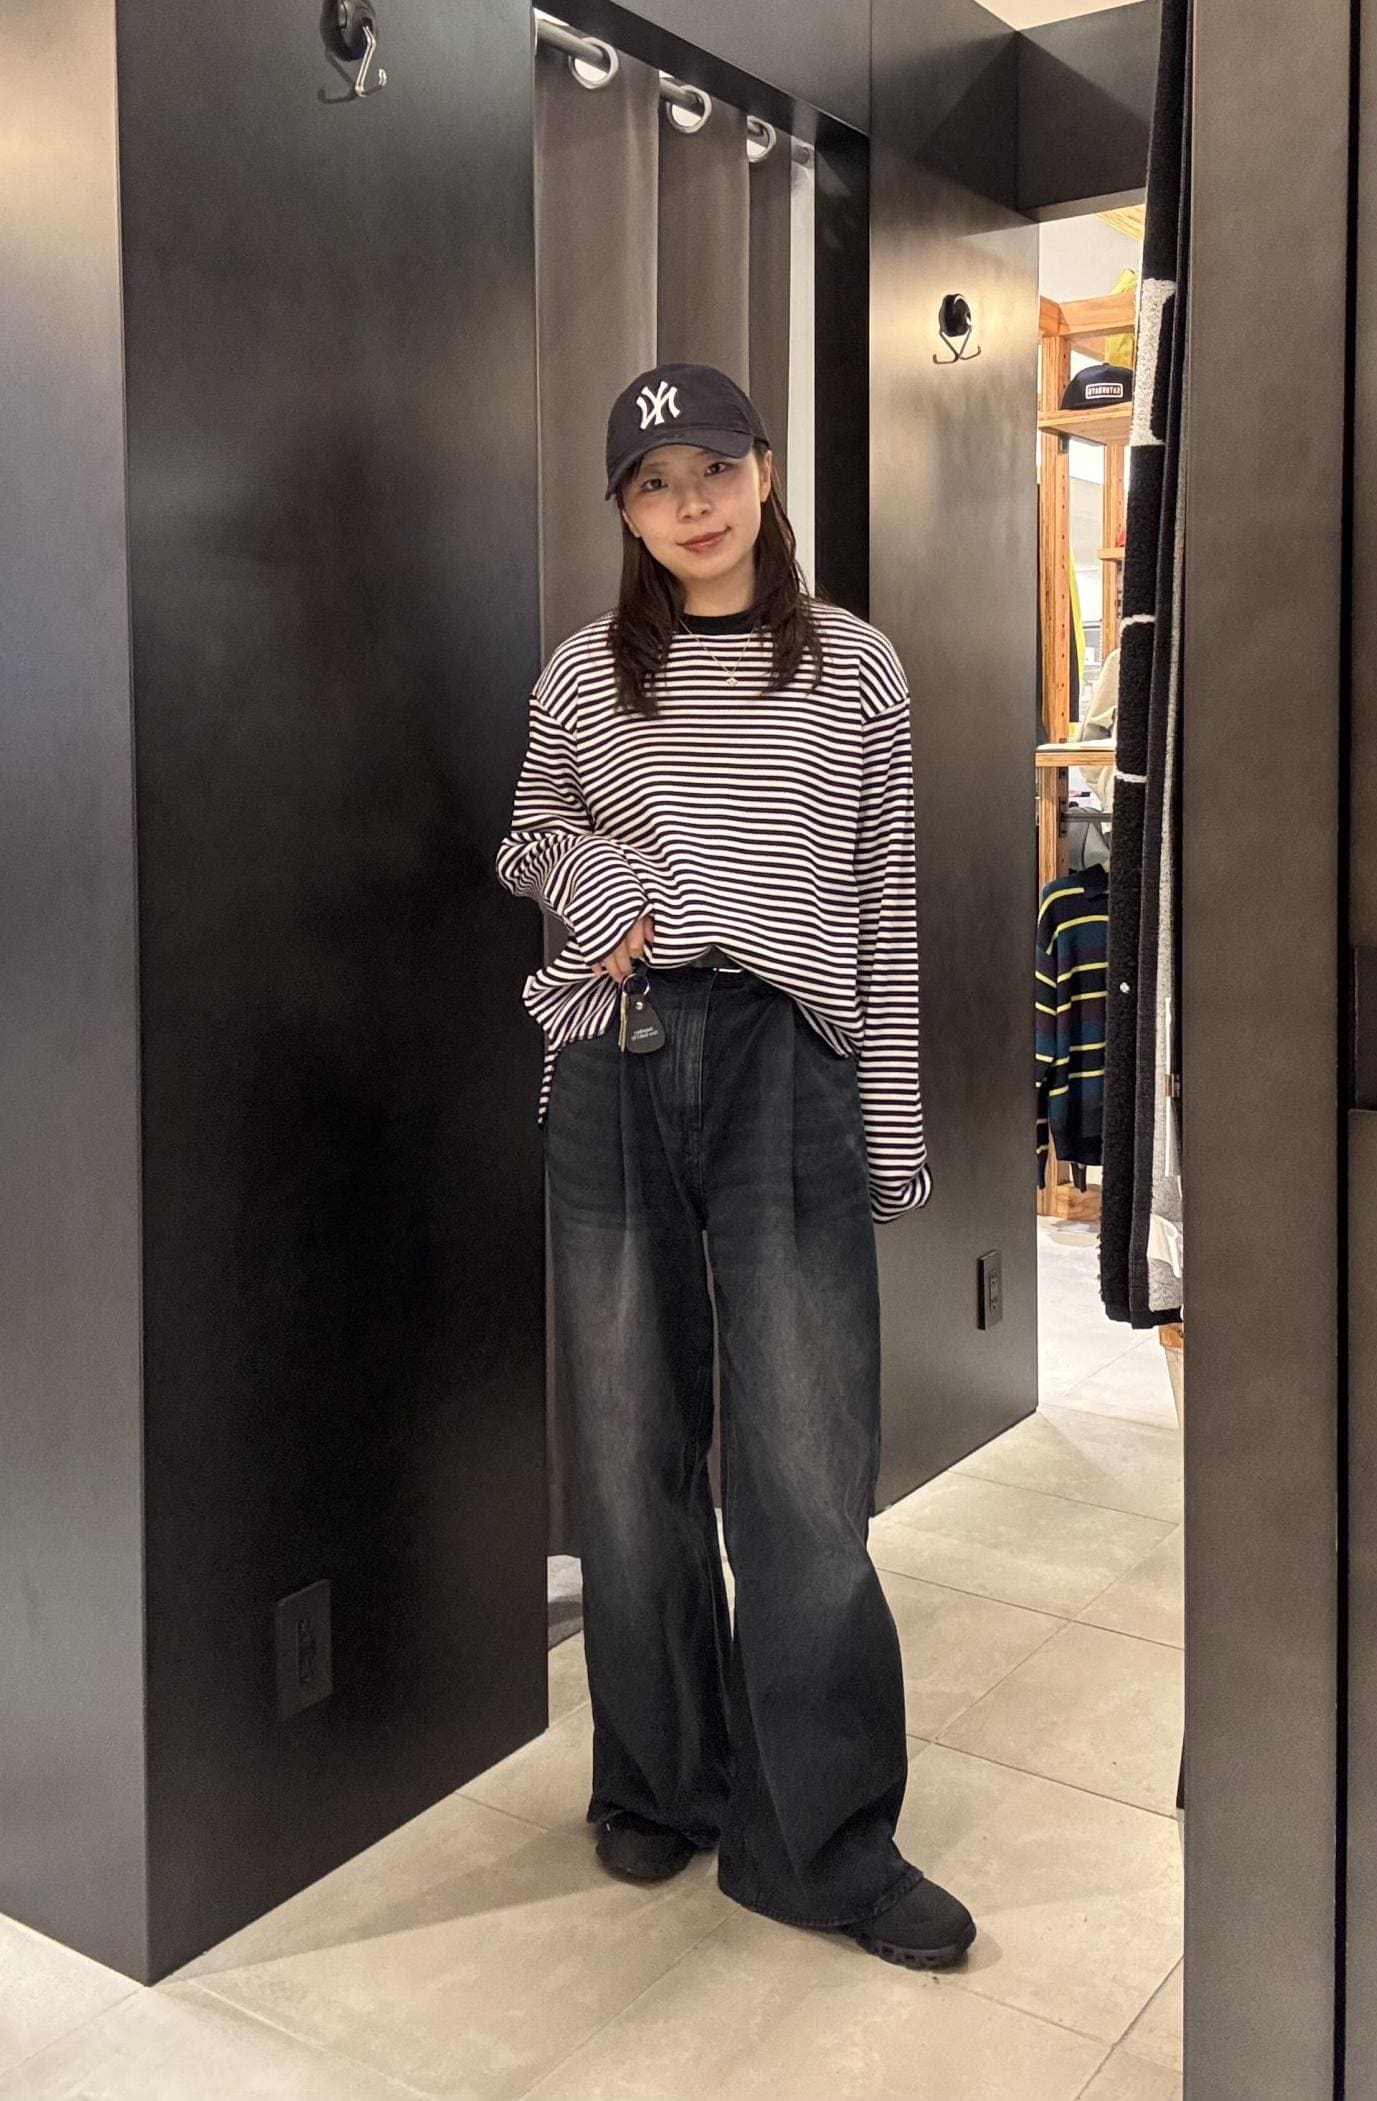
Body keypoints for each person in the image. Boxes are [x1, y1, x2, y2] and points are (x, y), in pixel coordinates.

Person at [494, 361, 975, 1969]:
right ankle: (659, 1777)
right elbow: (524, 837)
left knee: (803, 1462)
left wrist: (892, 1132)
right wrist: (602, 876)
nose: (689, 503)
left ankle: (822, 1842)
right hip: (615, 1056)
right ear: (625, 512)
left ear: (767, 471)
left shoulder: (856, 666)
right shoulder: (584, 673)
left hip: (787, 1059)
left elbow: (882, 906)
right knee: (629, 1445)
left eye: (713, 467)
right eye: (653, 482)